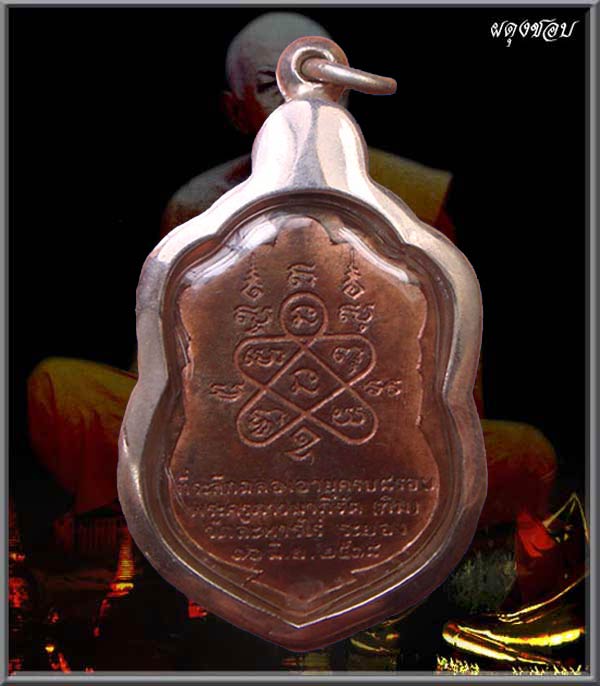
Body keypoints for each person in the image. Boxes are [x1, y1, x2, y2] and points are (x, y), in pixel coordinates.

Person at [27, 11, 554, 527]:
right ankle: (236, 508)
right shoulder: (197, 208)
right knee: (61, 392)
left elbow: (451, 383)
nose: (301, 103)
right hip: (235, 436)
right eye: (270, 87)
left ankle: (242, 512)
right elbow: (157, 380)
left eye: (325, 82)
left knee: (526, 455)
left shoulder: (415, 200)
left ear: (347, 93)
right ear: (235, 112)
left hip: (366, 436)